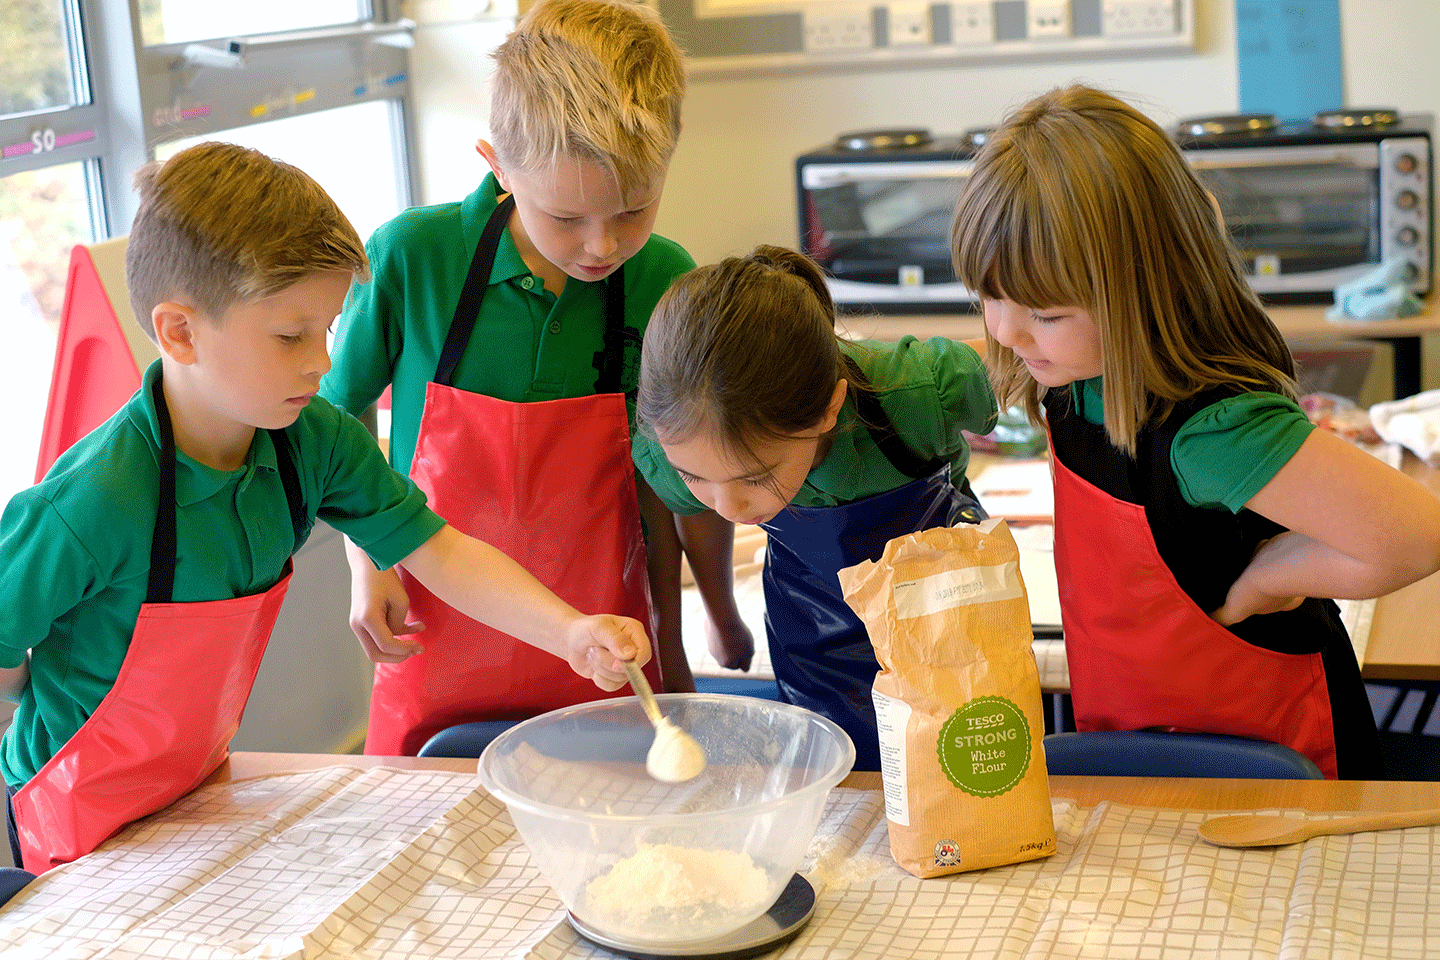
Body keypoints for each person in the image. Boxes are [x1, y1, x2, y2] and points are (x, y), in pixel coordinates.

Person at [0, 141, 651, 874]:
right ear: (180, 332)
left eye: (329, 328)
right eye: (290, 336)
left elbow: (441, 550)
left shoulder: (313, 442)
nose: (321, 362)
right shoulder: (88, 502)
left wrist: (569, 631)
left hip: (196, 790)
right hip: (75, 816)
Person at [948, 85, 1440, 780]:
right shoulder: (1071, 371)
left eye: (1045, 312)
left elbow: (1416, 537)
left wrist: (1267, 581)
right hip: (1129, 726)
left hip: (1267, 751)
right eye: (987, 295)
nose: (1004, 330)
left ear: (1147, 288)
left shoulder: (1211, 431)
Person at [317, 0, 712, 756]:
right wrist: (365, 563)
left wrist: (677, 645)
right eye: (565, 217)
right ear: (496, 163)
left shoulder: (664, 278)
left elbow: (661, 494)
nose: (602, 246)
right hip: (431, 632)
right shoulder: (413, 257)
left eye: (633, 210)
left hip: (604, 649)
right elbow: (338, 423)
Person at [632, 245, 999, 770]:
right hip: (813, 628)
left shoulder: (920, 392)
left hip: (944, 605)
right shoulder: (670, 452)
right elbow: (696, 513)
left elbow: (1021, 368)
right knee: (837, 772)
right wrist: (721, 616)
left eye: (755, 478)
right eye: (697, 478)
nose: (729, 505)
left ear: (829, 408)